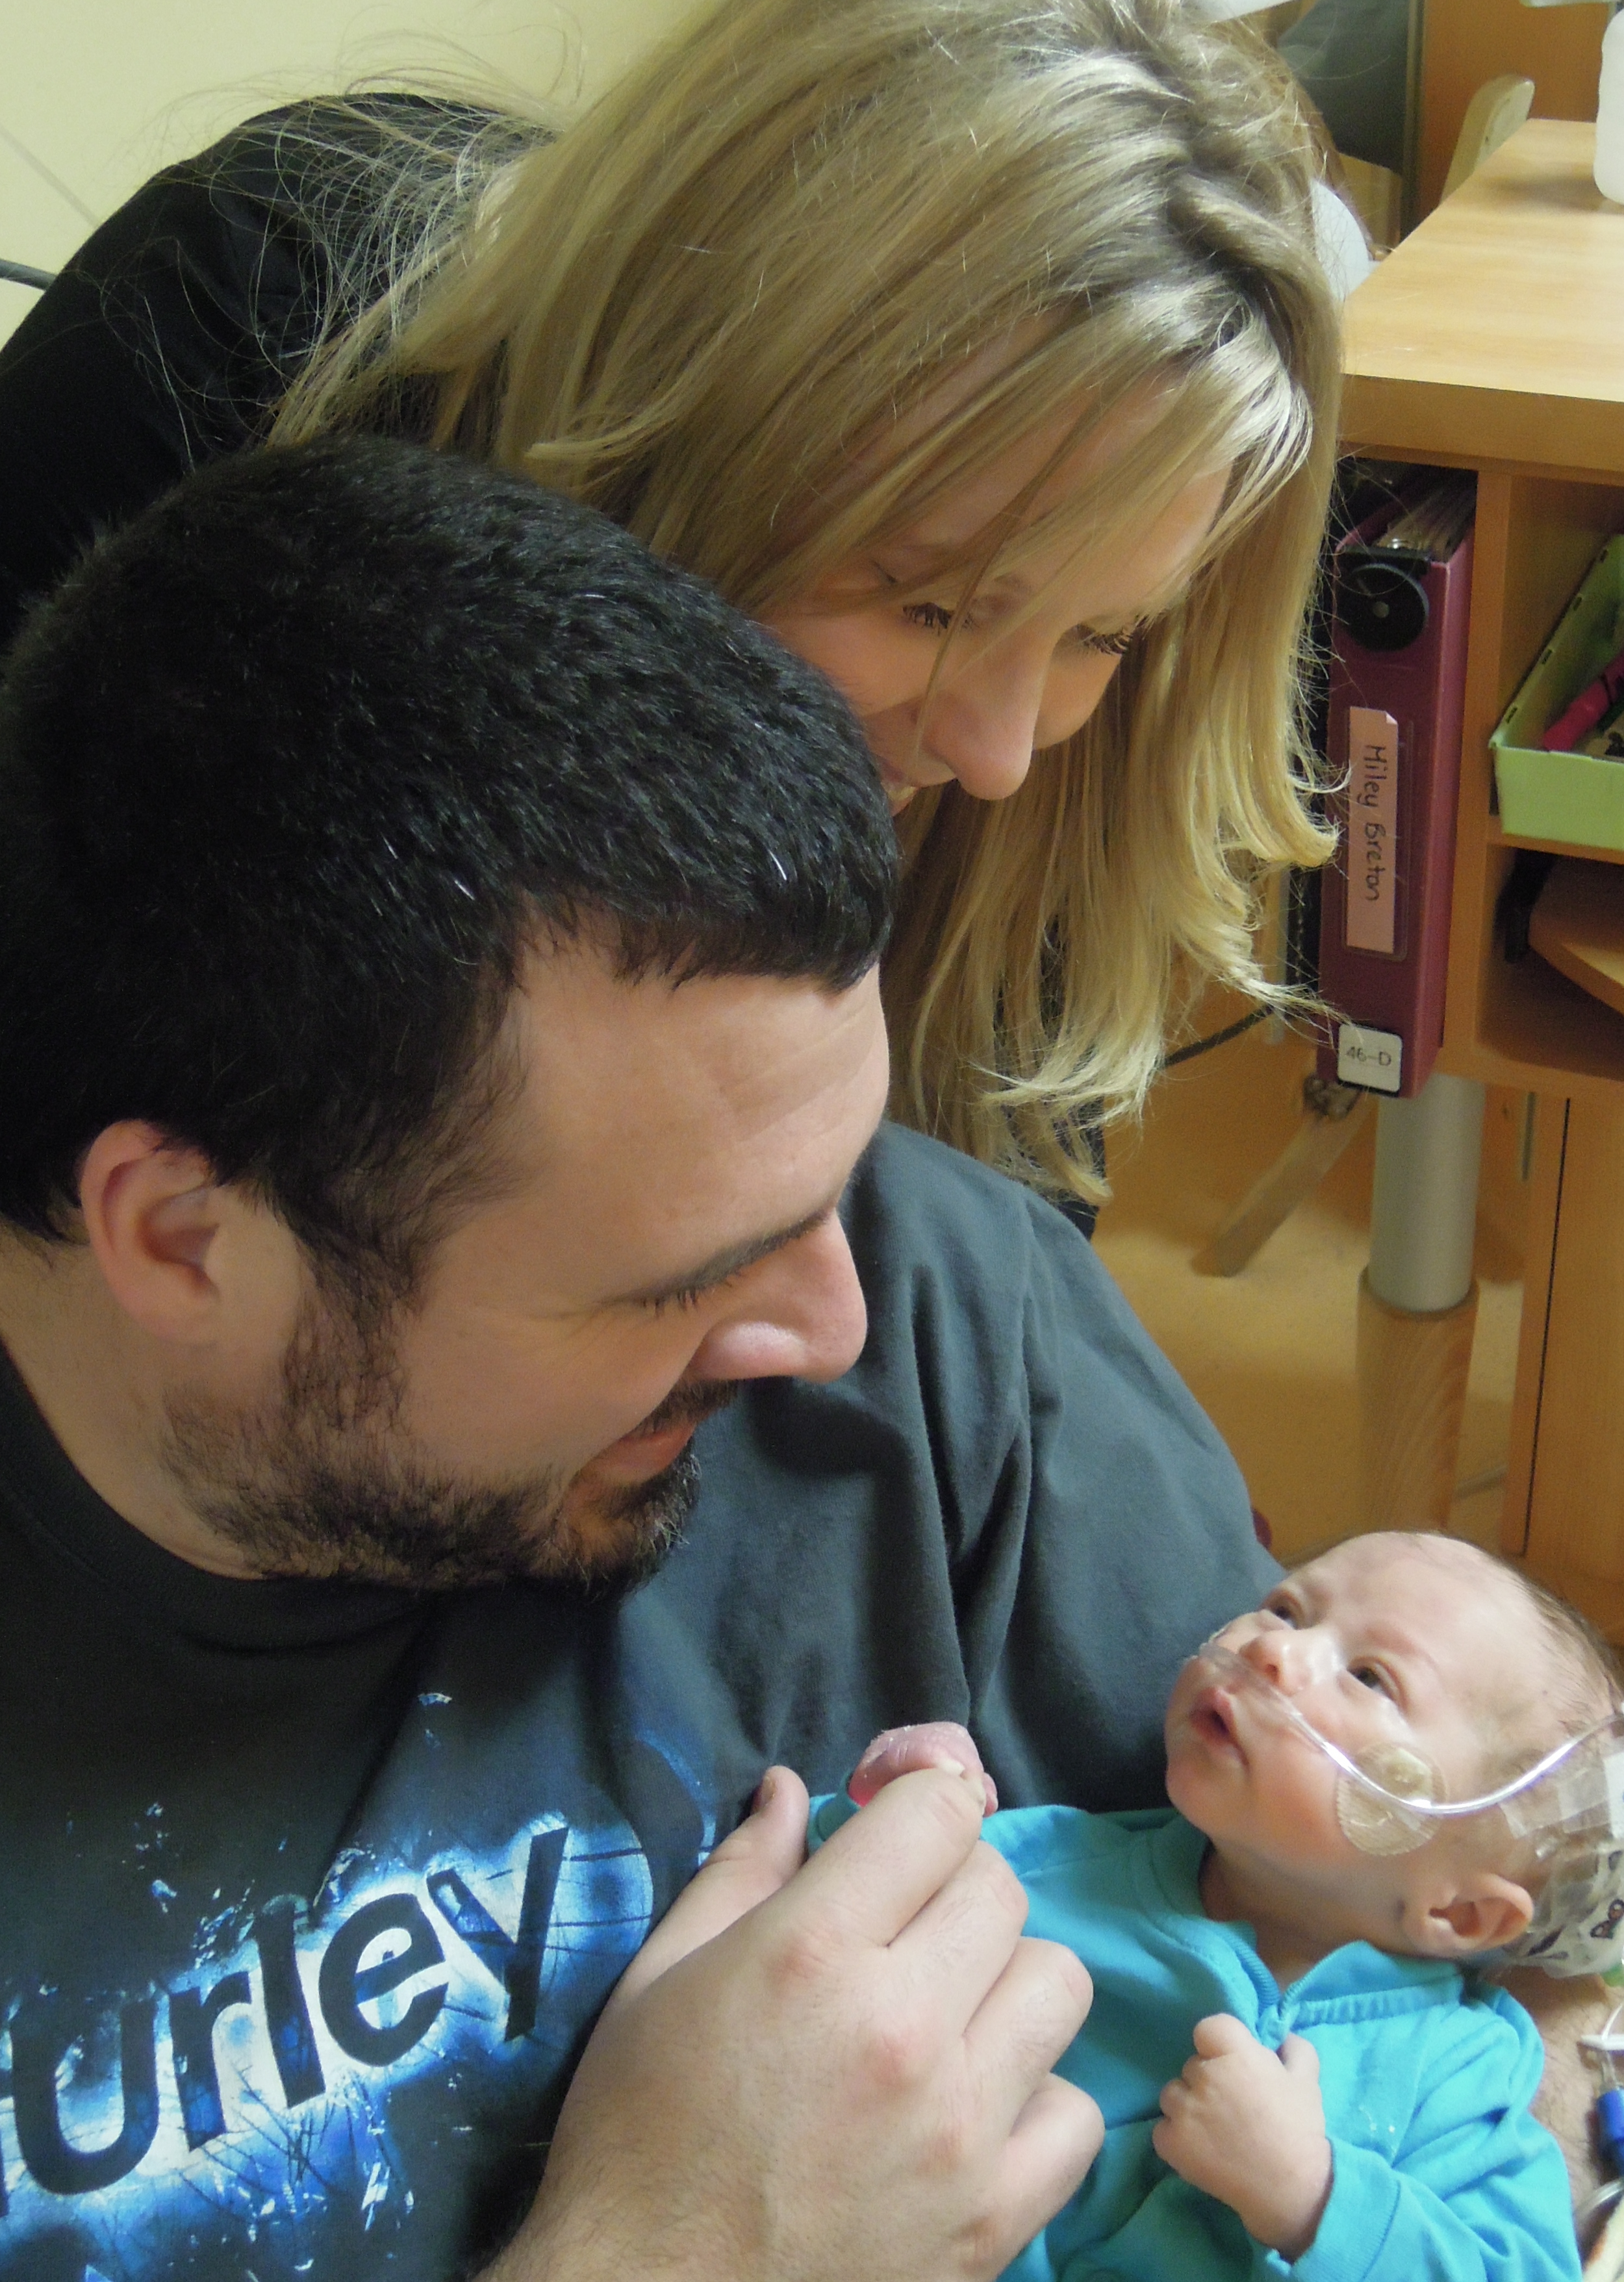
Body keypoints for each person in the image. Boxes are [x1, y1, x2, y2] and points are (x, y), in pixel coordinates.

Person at [0, 437, 1279, 2282]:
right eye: (681, 1280)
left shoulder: (948, 1325)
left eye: (836, 1177)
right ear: (185, 1239)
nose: (833, 1329)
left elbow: (1467, 1951)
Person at [0, 0, 1342, 1223]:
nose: (995, 753)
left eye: (1102, 633)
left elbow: (977, 1301)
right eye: (929, 605)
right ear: (675, 421)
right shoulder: (235, 342)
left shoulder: (1012, 795)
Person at [820, 1532, 1611, 2279]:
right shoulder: (1060, 1867)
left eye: (1370, 1677)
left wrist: (1313, 2198)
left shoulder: (1456, 2073)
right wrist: (895, 1800)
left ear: (1461, 1914)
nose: (1273, 1649)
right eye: (1286, 1608)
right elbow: (826, 1913)